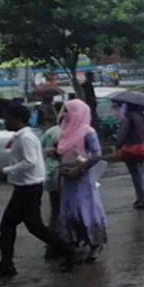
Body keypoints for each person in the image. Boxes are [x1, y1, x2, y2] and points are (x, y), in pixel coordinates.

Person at [0, 103, 77, 277]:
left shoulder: (26, 138)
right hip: (24, 187)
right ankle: (6, 264)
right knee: (11, 226)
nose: (6, 121)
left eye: (8, 118)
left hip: (28, 188)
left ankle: (69, 250)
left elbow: (30, 162)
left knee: (33, 227)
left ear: (17, 119)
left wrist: (5, 170)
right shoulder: (23, 136)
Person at [57, 99, 108, 266]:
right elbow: (61, 151)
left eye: (68, 110)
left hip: (82, 178)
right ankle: (76, 243)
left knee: (85, 210)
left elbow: (96, 154)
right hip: (67, 177)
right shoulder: (64, 131)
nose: (64, 114)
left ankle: (95, 244)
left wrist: (79, 169)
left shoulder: (87, 131)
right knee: (70, 212)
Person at [117, 103, 144, 210]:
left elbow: (123, 132)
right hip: (142, 147)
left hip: (131, 148)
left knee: (136, 173)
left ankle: (142, 198)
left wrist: (118, 145)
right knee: (138, 171)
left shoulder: (129, 116)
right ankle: (141, 197)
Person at [40, 103, 63, 232]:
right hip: (63, 175)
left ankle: (53, 233)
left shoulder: (50, 131)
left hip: (50, 175)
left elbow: (40, 146)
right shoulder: (69, 132)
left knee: (55, 208)